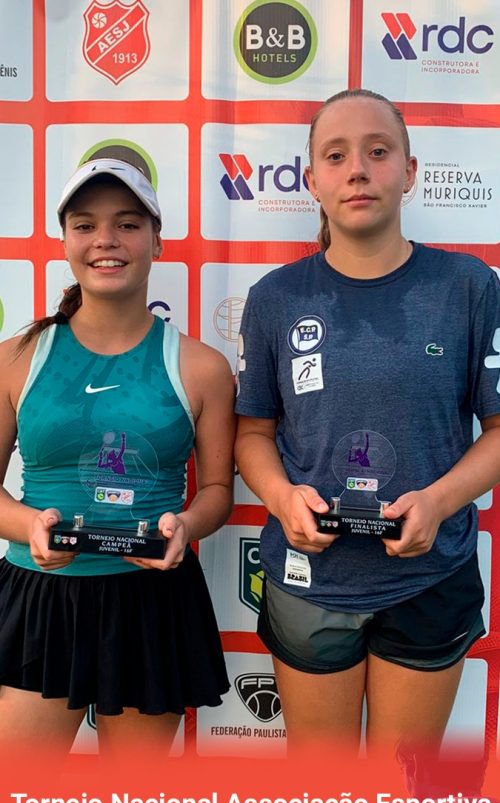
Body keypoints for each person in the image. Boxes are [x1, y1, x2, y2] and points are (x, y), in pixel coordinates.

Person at [234, 89, 500, 754]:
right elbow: (253, 433)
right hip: (310, 578)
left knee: (400, 791)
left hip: (429, 576)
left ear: (409, 172)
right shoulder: (275, 298)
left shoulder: (470, 287)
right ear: (311, 180)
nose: (357, 169)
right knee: (323, 789)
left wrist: (438, 502)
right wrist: (281, 498)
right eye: (336, 155)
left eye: (378, 152)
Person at [0, 156, 234, 757]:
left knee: (129, 801)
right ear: (65, 241)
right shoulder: (15, 358)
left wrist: (186, 525)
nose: (106, 239)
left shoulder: (204, 368)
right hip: (41, 597)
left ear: (157, 240)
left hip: (149, 602)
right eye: (86, 224)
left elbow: (216, 492)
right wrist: (30, 526)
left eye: (127, 224)